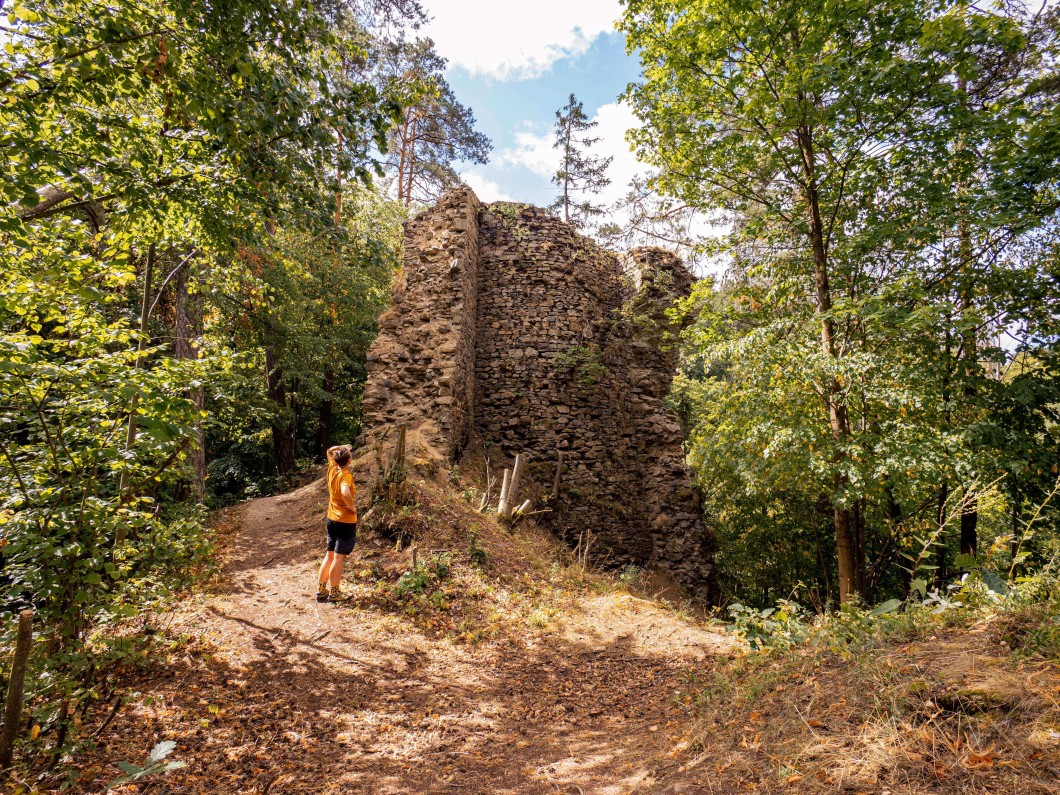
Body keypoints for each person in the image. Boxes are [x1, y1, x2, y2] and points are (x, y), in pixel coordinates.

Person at [317, 444, 358, 603]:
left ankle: (322, 592)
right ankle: (334, 594)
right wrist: (351, 507)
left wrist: (342, 447)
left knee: (329, 556)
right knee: (338, 558)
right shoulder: (345, 475)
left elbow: (328, 450)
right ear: (349, 460)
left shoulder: (333, 468)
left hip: (331, 519)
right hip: (344, 521)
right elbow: (345, 492)